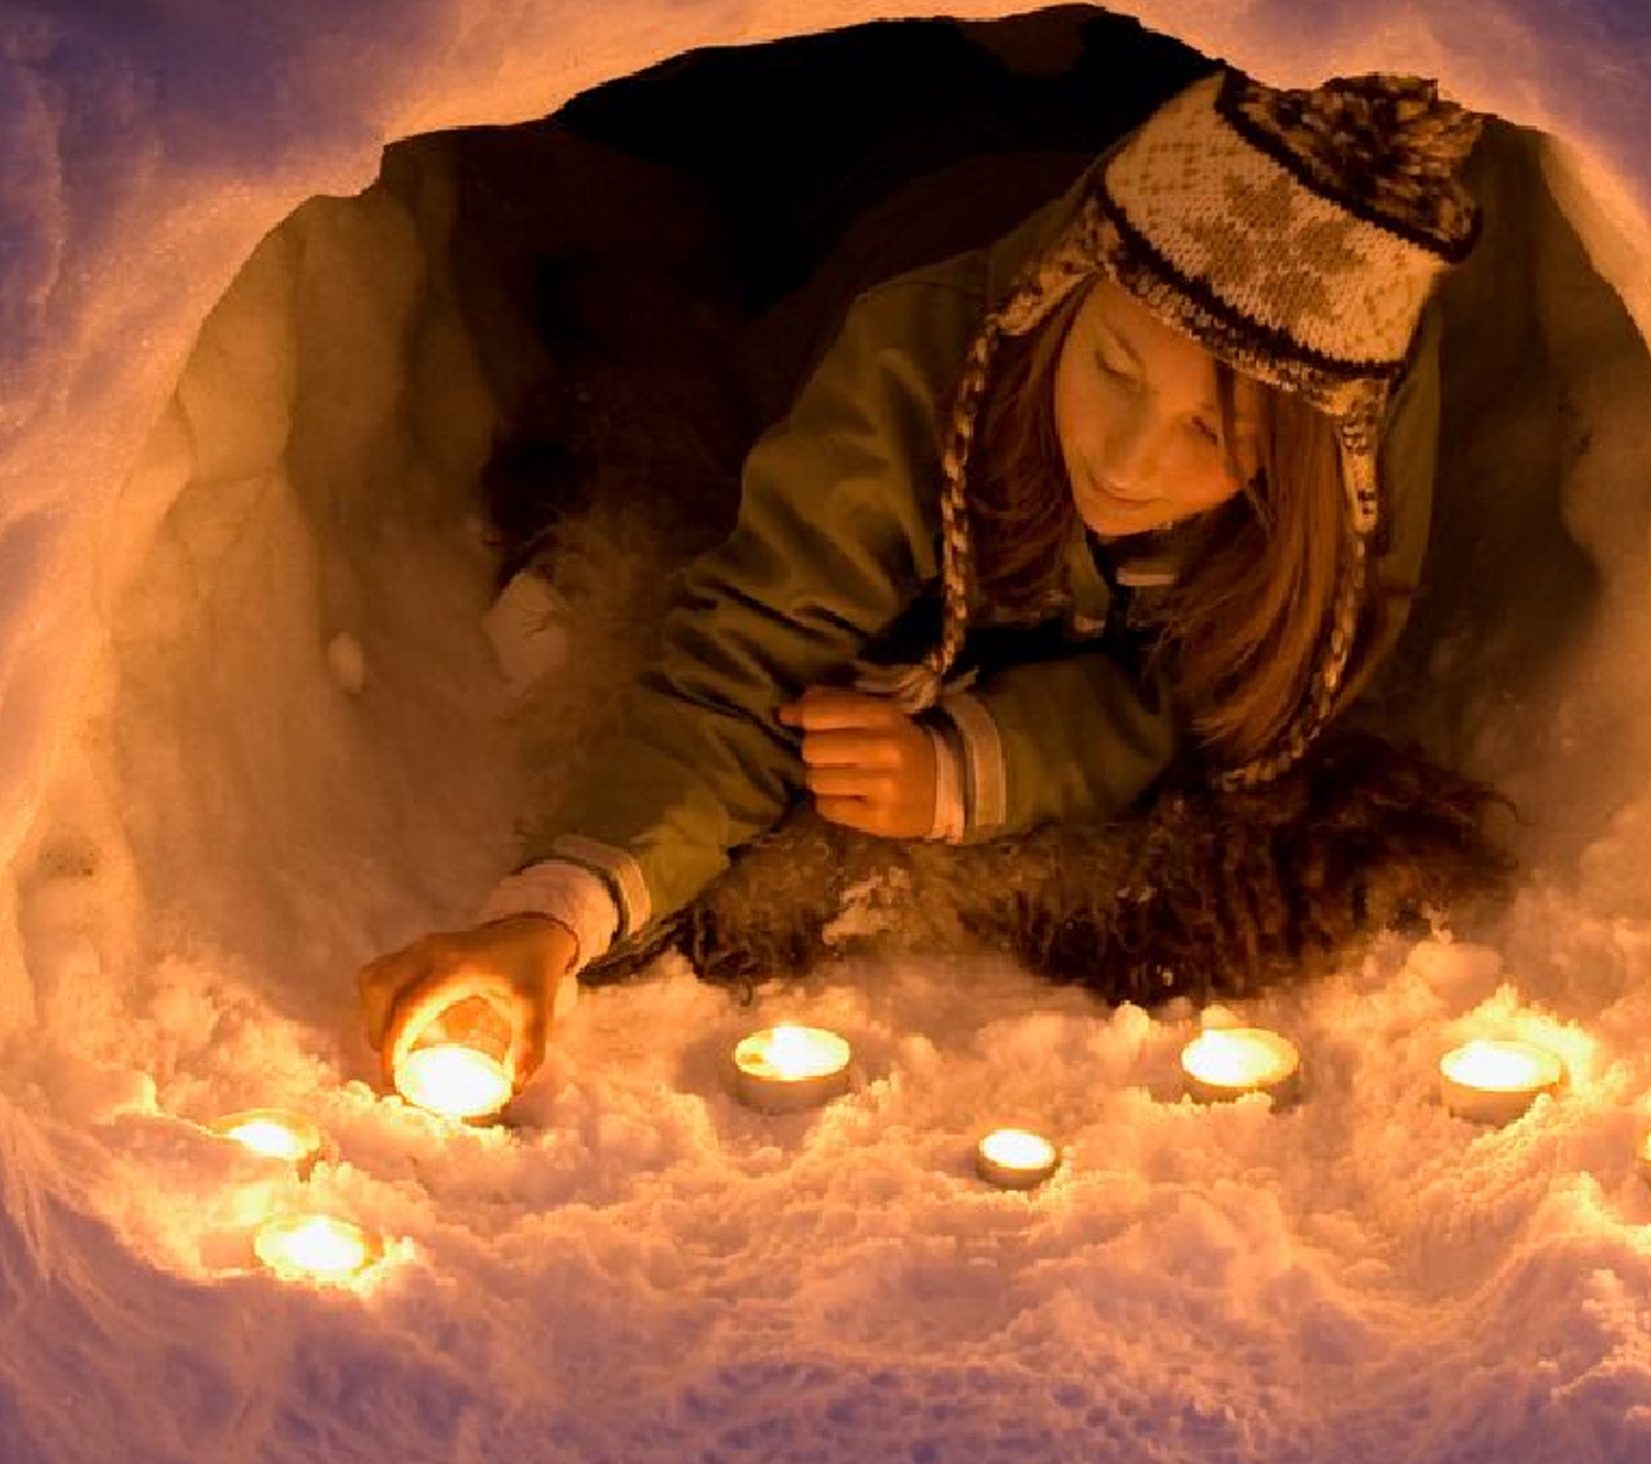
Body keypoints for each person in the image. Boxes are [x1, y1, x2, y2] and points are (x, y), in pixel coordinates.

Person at [356, 66, 1486, 1091]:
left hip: (1074, 154)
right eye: (1111, 368)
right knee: (812, 136)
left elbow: (1229, 707)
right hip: (885, 200)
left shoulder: (1342, 514)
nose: (1128, 458)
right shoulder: (911, 367)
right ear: (1060, 296)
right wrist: (552, 917)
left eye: (1213, 436)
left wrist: (977, 765)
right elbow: (740, 668)